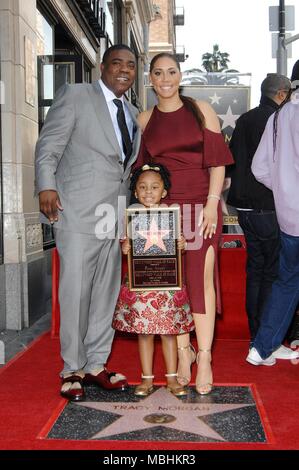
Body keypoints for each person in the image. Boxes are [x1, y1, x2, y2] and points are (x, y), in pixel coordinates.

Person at [35, 44, 141, 401]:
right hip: (77, 210)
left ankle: (96, 363)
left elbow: (122, 169)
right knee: (76, 292)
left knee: (104, 294)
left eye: (131, 65)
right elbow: (49, 143)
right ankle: (72, 368)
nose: (124, 70)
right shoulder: (77, 95)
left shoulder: (131, 112)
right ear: (102, 66)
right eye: (117, 63)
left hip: (113, 216)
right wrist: (46, 185)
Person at [134, 53, 233, 395]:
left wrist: (211, 204)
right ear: (150, 78)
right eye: (158, 72)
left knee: (201, 280)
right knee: (174, 286)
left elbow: (218, 163)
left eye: (171, 72)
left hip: (202, 208)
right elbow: (143, 173)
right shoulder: (145, 119)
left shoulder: (200, 109)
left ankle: (204, 356)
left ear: (180, 75)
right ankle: (182, 350)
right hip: (164, 214)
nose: (165, 78)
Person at [227, 74, 296, 361]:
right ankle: (263, 341)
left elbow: (243, 164)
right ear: (282, 93)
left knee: (260, 273)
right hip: (269, 209)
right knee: (273, 275)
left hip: (247, 209)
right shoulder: (277, 117)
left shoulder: (248, 119)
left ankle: (259, 340)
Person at [113, 164, 194, 396]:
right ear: (136, 192)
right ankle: (146, 379)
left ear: (164, 192)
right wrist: (125, 247)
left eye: (155, 187)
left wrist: (182, 244)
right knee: (145, 333)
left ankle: (171, 378)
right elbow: (127, 248)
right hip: (141, 286)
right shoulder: (131, 217)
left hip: (167, 287)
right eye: (143, 187)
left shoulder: (172, 217)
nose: (149, 191)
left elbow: (179, 245)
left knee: (168, 332)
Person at [247, 86, 299, 365]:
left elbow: (259, 168)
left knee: (287, 281)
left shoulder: (279, 116)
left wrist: (284, 190)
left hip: (289, 216)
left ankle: (261, 347)